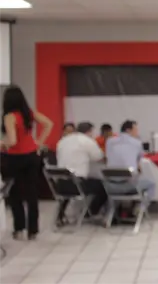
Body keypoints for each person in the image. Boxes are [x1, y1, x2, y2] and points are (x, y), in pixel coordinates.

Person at [0, 86, 53, 240]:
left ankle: (19, 228)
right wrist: (38, 143)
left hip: (15, 158)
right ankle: (33, 231)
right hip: (32, 156)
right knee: (32, 194)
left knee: (15, 193)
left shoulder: (9, 116)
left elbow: (12, 141)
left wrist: (1, 144)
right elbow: (49, 124)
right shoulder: (29, 113)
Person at [56, 121, 107, 223]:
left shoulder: (63, 141)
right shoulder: (87, 141)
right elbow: (98, 157)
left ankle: (60, 216)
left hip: (60, 185)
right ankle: (91, 212)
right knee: (103, 187)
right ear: (89, 131)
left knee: (69, 185)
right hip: (77, 185)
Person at [106, 120, 155, 207]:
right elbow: (139, 161)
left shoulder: (109, 142)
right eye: (135, 130)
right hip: (129, 185)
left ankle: (112, 210)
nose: (137, 132)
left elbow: (108, 156)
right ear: (128, 130)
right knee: (151, 184)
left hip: (110, 186)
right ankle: (141, 208)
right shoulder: (137, 143)